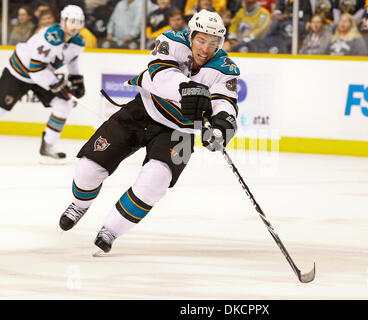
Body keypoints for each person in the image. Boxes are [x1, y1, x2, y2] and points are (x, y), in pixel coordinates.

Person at [58, 9, 240, 254]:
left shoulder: (226, 68)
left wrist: (222, 125)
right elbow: (159, 74)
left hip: (181, 132)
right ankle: (79, 204)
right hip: (141, 111)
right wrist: (186, 88)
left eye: (213, 42)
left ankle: (111, 229)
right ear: (191, 35)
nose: (206, 49)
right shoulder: (171, 41)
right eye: (201, 40)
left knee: (156, 181)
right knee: (88, 168)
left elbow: (225, 102)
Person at [0, 5, 86, 164]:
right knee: (1, 108)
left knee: (64, 104)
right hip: (18, 72)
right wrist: (56, 84)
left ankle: (48, 147)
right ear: (63, 21)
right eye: (71, 21)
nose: (74, 26)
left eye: (78, 22)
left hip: (42, 73)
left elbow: (72, 59)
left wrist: (76, 78)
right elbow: (35, 69)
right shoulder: (50, 37)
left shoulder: (79, 42)